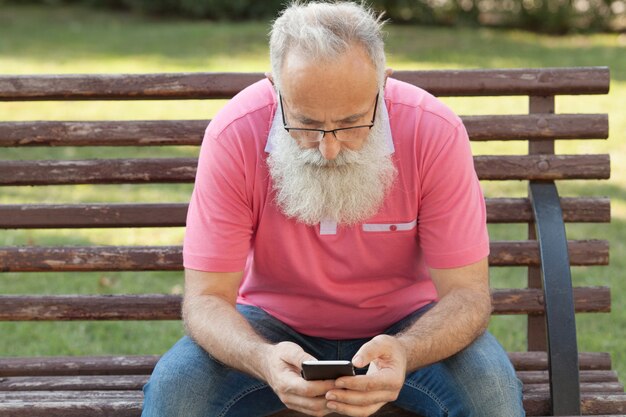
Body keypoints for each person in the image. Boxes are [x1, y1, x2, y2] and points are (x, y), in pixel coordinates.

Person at [142, 1, 525, 416]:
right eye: (306, 123)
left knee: (493, 394)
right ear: (276, 88)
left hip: (410, 326)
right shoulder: (234, 133)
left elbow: (467, 294)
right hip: (270, 328)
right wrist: (262, 359)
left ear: (383, 84)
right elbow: (206, 300)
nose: (329, 148)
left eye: (352, 121)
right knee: (176, 389)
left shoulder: (435, 130)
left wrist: (406, 351)